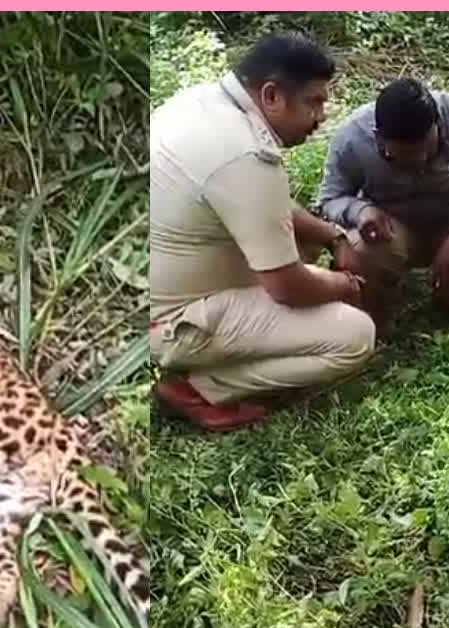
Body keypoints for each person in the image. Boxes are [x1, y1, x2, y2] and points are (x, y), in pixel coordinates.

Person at [149, 32, 376, 432]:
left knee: (305, 238)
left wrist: (333, 236)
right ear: (272, 96)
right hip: (174, 324)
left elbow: (256, 203)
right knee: (355, 334)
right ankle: (199, 387)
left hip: (161, 287)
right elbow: (286, 287)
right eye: (314, 102)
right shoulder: (247, 154)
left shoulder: (199, 105)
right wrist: (346, 286)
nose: (321, 117)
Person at [317, 77, 449, 327]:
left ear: (439, 125)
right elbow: (329, 198)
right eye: (405, 156)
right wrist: (360, 210)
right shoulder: (352, 138)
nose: (420, 161)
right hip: (390, 230)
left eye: (428, 151)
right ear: (378, 138)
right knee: (358, 249)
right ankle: (374, 314)